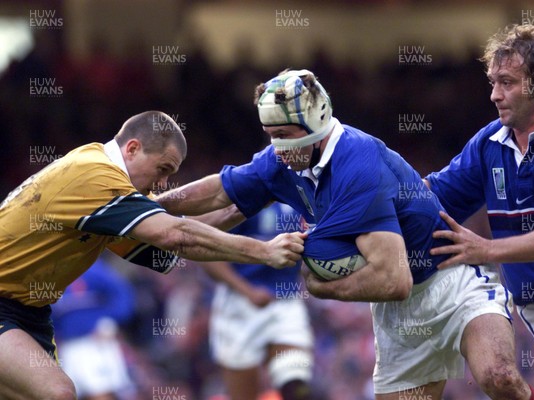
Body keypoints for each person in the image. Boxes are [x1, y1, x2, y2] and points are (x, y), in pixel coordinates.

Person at [157, 70, 534, 399]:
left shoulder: (358, 164)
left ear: (317, 120)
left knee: (500, 378)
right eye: (270, 134)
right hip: (399, 316)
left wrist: (323, 288)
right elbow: (219, 191)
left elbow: (394, 279)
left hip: (451, 280)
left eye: (285, 133)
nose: (277, 146)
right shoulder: (282, 160)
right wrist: (155, 205)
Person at [0, 110, 305, 400]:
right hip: (6, 304)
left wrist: (251, 200)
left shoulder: (103, 191)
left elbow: (177, 234)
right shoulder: (95, 177)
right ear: (132, 148)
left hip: (29, 312)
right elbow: (176, 235)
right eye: (162, 170)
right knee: (57, 392)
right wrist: (263, 250)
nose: (161, 184)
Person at [425, 24, 534, 399]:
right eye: (493, 82)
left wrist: (487, 250)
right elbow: (428, 199)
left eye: (507, 82)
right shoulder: (489, 144)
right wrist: (354, 203)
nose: (494, 95)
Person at [204, 202, 314, 400]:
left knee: (296, 386)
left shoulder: (301, 196)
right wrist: (248, 292)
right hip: (239, 306)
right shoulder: (240, 198)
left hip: (286, 303)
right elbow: (208, 257)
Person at [52, 254, 136, 400]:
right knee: (72, 393)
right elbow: (47, 314)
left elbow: (123, 294)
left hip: (96, 342)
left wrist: (110, 322)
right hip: (69, 346)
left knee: (102, 390)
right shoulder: (52, 275)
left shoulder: (93, 268)